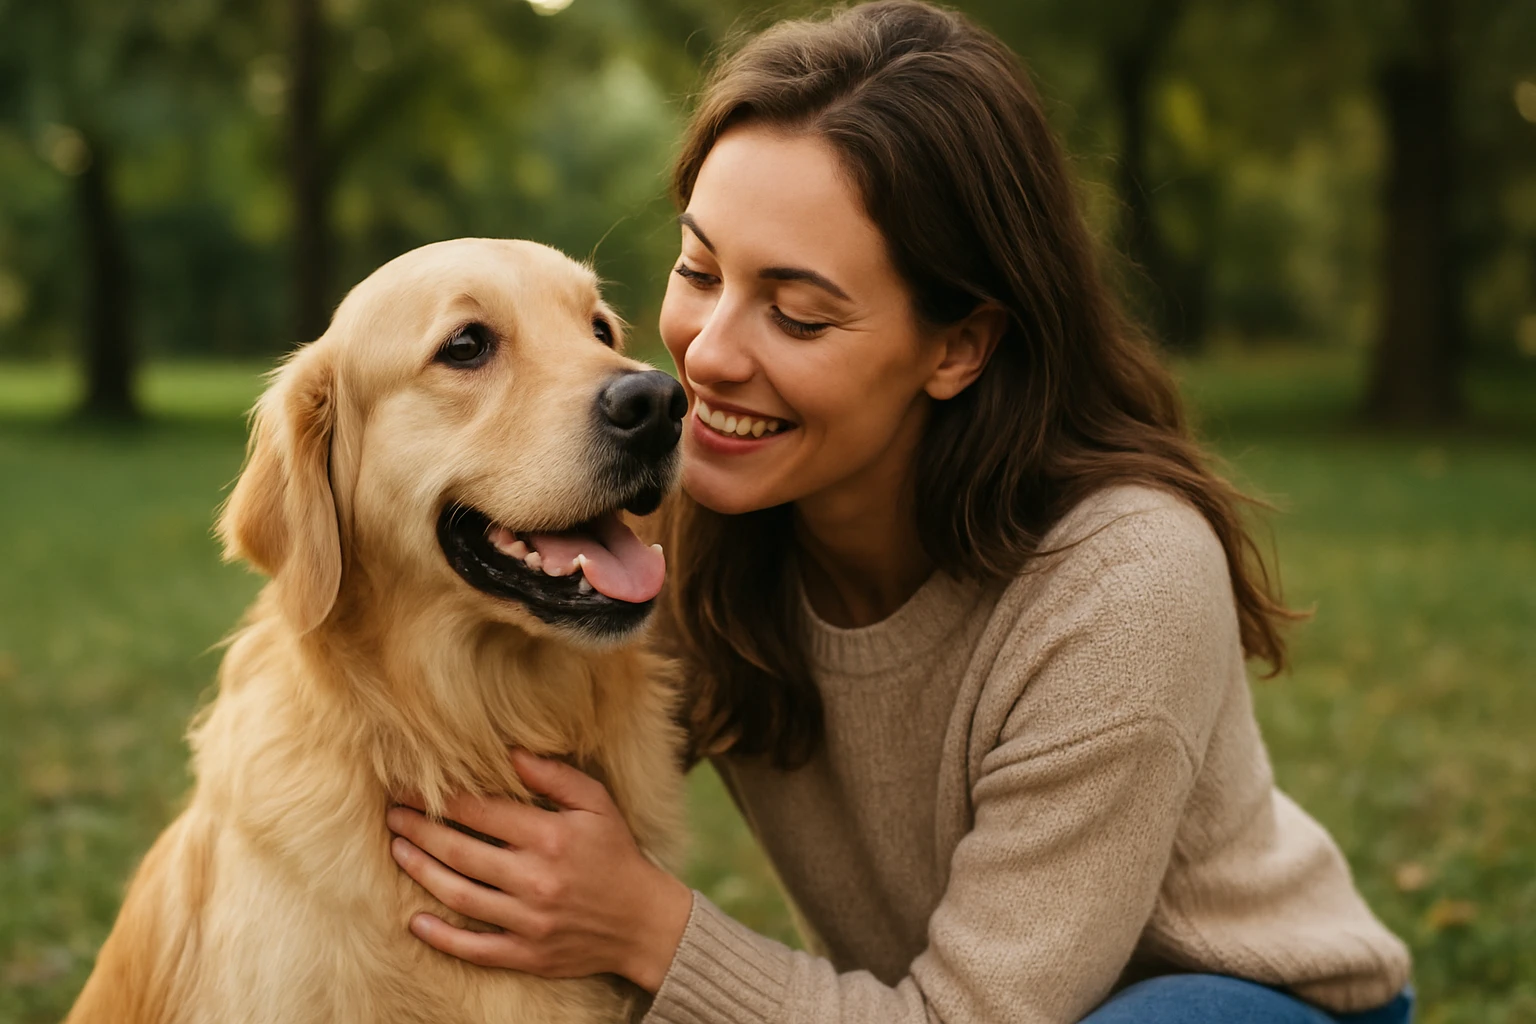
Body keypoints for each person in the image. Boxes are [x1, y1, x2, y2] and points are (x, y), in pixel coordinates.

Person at [383, 3, 1415, 1021]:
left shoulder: (1126, 580)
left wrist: (648, 929)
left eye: (798, 313)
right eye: (698, 271)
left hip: (1235, 996)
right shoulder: (689, 528)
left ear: (958, 346)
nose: (706, 355)